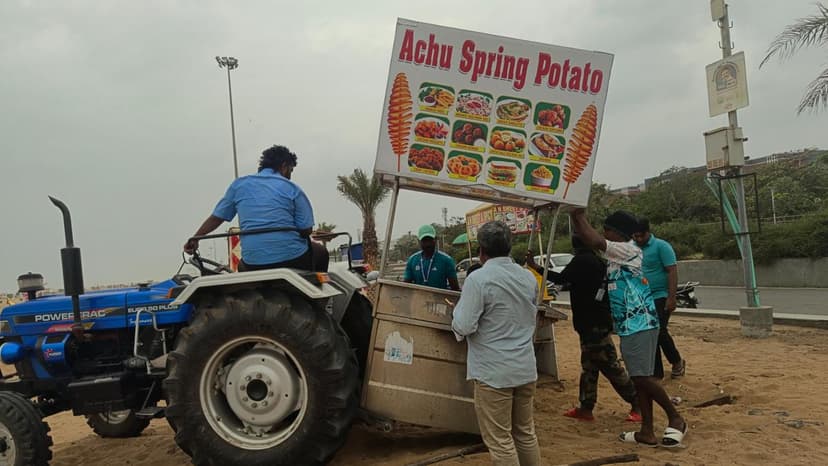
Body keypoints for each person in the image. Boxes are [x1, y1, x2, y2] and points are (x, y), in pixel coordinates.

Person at [570, 209, 687, 448]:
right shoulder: (619, 254)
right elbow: (589, 237)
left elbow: (593, 239)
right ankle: (646, 430)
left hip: (639, 323)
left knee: (643, 378)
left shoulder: (627, 249)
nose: (604, 233)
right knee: (639, 378)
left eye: (607, 229)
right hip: (631, 325)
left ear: (617, 232)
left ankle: (676, 418)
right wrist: (576, 216)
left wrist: (576, 213)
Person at [452, 221, 541, 466]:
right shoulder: (527, 277)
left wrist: (455, 318)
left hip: (494, 373)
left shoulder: (478, 279)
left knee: (500, 440)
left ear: (481, 250)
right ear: (509, 247)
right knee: (525, 433)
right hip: (525, 368)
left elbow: (464, 325)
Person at [526, 236, 641, 423]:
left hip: (593, 323)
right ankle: (586, 407)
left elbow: (561, 279)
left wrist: (536, 267)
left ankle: (637, 402)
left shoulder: (582, 261)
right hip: (594, 322)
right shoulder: (595, 260)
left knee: (609, 365)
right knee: (590, 367)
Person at [184, 145, 328, 271]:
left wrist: (195, 238)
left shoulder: (238, 185)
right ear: (284, 166)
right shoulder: (293, 189)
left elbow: (216, 217)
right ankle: (320, 301)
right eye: (290, 171)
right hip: (292, 258)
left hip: (253, 262)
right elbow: (306, 230)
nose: (289, 176)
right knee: (321, 253)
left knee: (242, 265)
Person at [633, 218, 686, 379]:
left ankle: (676, 361)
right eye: (636, 236)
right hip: (641, 297)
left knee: (658, 330)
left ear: (648, 232)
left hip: (660, 296)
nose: (639, 239)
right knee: (649, 333)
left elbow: (672, 271)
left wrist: (672, 297)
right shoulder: (632, 248)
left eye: (642, 236)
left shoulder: (662, 247)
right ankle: (656, 372)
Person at [403, 224, 460, 291]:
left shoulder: (446, 260)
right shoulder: (412, 260)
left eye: (430, 240)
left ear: (435, 239)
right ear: (419, 241)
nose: (428, 244)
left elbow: (455, 288)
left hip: (440, 300)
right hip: (418, 300)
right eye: (424, 241)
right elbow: (406, 287)